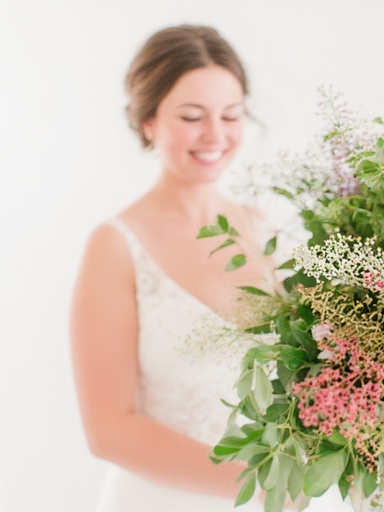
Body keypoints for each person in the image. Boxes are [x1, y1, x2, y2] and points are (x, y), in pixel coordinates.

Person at [70, 25, 272, 511]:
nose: (215, 136)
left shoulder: (261, 226)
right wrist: (260, 485)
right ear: (148, 121)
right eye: (191, 116)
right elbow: (108, 430)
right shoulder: (115, 245)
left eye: (231, 115)